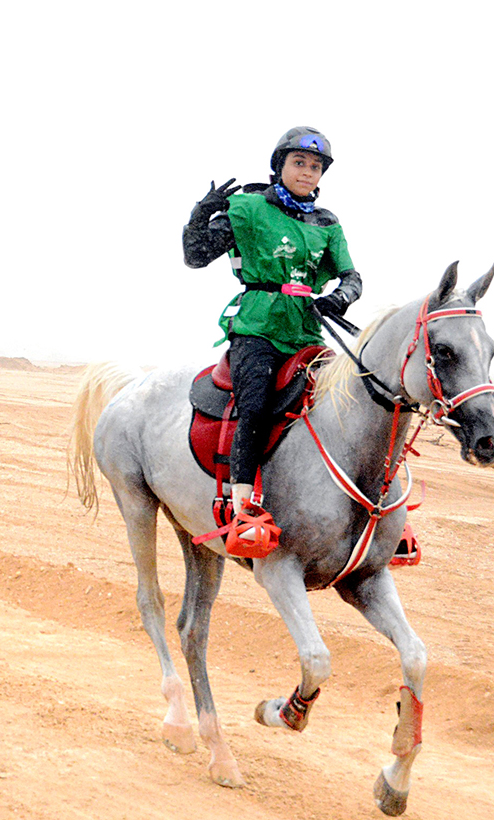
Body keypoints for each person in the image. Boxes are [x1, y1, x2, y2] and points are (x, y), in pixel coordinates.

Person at [182, 126, 362, 557]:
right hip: (257, 329)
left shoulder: (327, 223)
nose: (307, 172)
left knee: (352, 405)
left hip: (306, 332)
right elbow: (195, 255)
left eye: (315, 166)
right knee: (257, 405)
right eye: (299, 163)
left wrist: (339, 297)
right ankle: (244, 508)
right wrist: (199, 214)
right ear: (279, 166)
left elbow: (353, 277)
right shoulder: (246, 207)